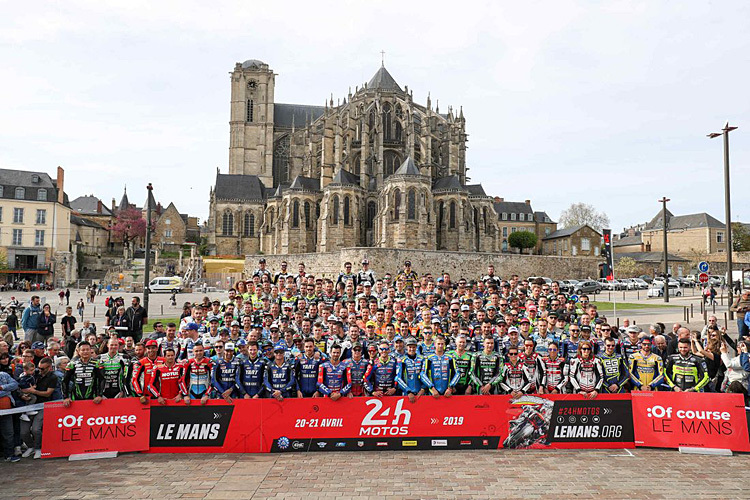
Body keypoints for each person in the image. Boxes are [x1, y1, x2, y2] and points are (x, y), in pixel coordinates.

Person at [20, 356, 57, 459]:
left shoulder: (52, 377)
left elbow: (48, 393)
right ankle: (30, 447)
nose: (39, 370)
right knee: (24, 431)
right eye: (39, 368)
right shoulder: (34, 373)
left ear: (49, 368)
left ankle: (38, 448)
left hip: (42, 405)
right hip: (28, 405)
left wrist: (33, 391)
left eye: (42, 369)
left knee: (36, 429)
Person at [62, 341, 103, 405]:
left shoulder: (97, 363)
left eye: (87, 350)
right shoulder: (72, 364)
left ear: (90, 350)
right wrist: (66, 397)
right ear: (78, 351)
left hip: (93, 398)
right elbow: (65, 381)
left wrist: (99, 395)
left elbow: (102, 379)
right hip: (75, 398)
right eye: (83, 350)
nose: (85, 352)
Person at [396, 337, 425, 402]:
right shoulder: (402, 360)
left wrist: (423, 389)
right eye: (410, 347)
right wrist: (408, 391)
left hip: (421, 393)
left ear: (416, 347)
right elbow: (398, 378)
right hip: (407, 394)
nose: (412, 349)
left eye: (414, 347)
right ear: (406, 347)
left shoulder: (422, 359)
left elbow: (425, 375)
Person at [0, 369, 19, 462]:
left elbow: (15, 385)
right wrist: (6, 392)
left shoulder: (3, 375)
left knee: (8, 433)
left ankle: (9, 455)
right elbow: (9, 390)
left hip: (6, 410)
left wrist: (2, 387)